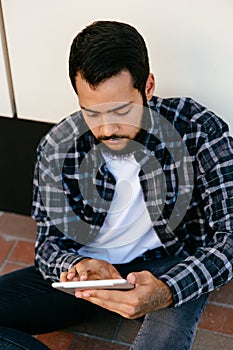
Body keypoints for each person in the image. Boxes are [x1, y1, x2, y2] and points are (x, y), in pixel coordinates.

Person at [0, 20, 233, 350]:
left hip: (166, 266)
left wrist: (168, 289)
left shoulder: (199, 130)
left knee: (168, 325)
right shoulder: (57, 147)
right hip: (91, 275)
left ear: (148, 87)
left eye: (122, 110)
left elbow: (229, 237)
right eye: (92, 113)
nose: (107, 129)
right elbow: (48, 246)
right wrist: (76, 265)